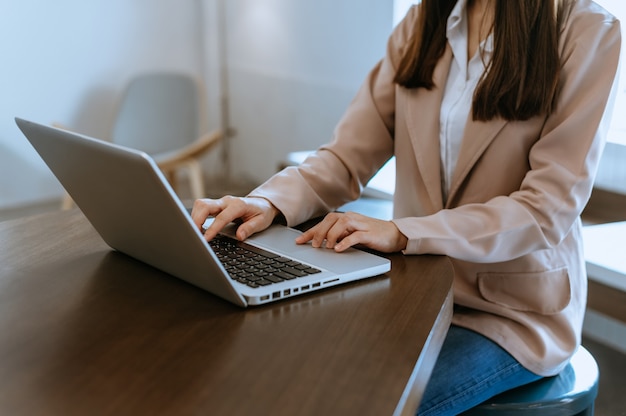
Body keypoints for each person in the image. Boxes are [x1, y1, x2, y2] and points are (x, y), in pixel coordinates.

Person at [192, 0, 621, 414]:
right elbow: (345, 157)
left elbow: (544, 211)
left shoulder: (588, 32)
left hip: (509, 314)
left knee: (356, 402)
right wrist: (265, 200)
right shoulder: (422, 23)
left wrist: (404, 232)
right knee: (287, 369)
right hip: (415, 295)